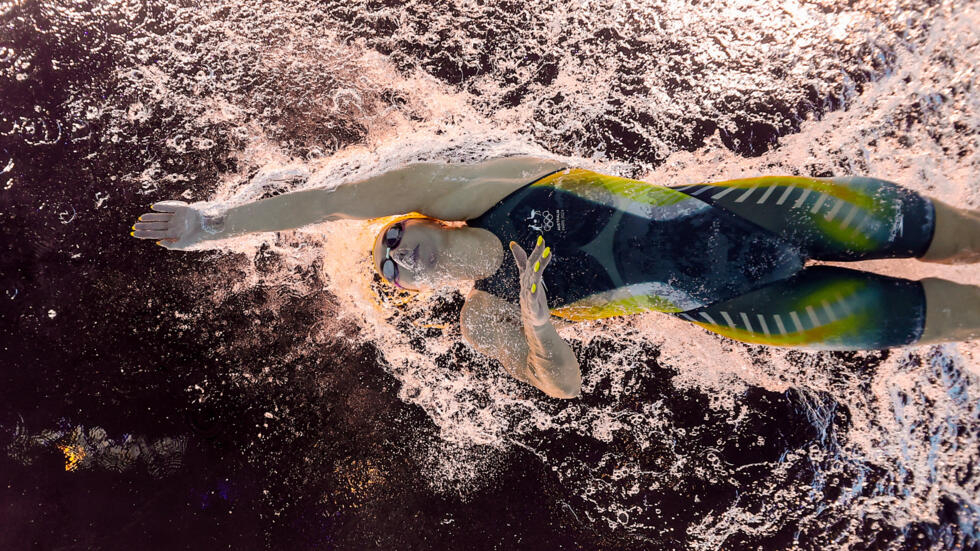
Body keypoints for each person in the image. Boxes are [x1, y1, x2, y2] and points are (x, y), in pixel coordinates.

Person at [131, 156, 980, 398]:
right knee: (948, 317)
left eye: (393, 238)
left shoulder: (484, 188)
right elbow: (563, 387)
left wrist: (218, 224)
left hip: (755, 211)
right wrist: (539, 328)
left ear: (426, 216)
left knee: (951, 235)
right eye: (391, 271)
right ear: (417, 291)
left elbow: (335, 200)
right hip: (742, 304)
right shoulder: (484, 320)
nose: (396, 255)